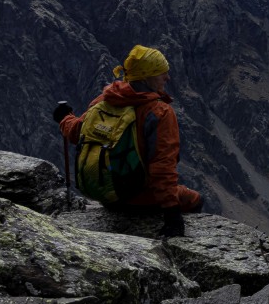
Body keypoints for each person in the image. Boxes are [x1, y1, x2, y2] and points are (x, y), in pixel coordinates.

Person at [55, 44, 202, 237]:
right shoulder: (159, 112)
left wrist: (64, 117)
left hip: (106, 194)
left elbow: (76, 132)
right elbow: (162, 167)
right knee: (196, 199)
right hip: (138, 197)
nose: (167, 78)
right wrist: (172, 215)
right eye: (161, 73)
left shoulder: (105, 100)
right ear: (145, 77)